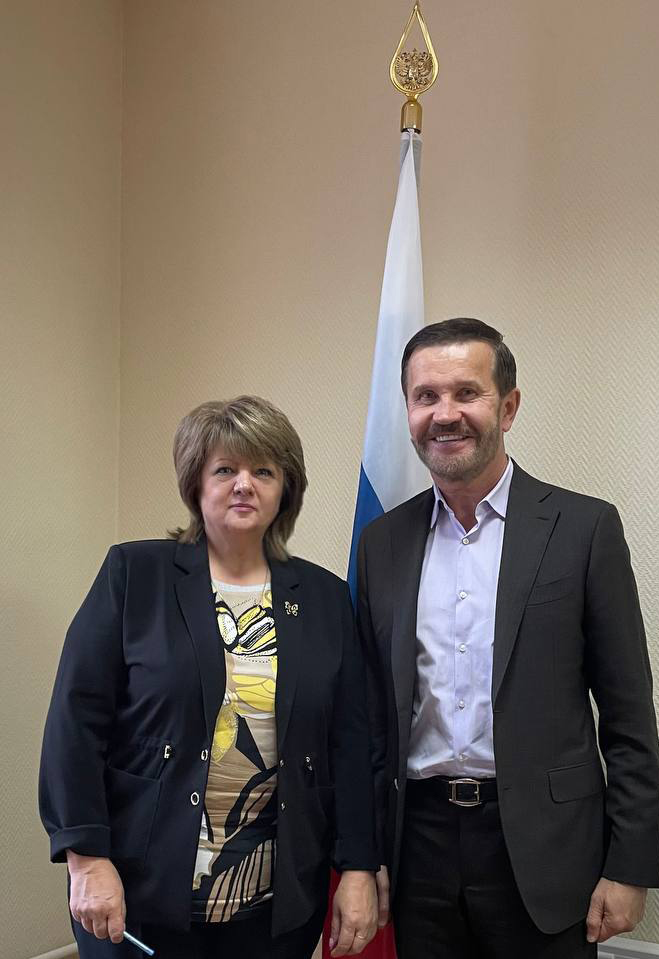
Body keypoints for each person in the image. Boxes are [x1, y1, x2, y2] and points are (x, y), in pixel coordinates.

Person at [357, 318, 659, 958]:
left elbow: (629, 715)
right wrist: (364, 853)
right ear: (408, 411)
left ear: (509, 406)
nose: (445, 414)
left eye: (467, 393)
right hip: (417, 849)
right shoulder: (383, 542)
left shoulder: (583, 529)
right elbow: (372, 720)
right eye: (425, 396)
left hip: (547, 849)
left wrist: (630, 865)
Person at [40, 395, 378, 959]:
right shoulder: (135, 574)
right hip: (139, 889)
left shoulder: (323, 597)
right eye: (225, 469)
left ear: (286, 489)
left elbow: (349, 742)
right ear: (196, 483)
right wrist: (86, 857)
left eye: (263, 471)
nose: (244, 484)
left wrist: (359, 868)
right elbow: (75, 723)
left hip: (275, 902)